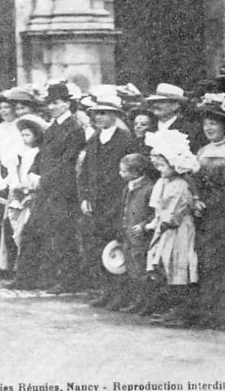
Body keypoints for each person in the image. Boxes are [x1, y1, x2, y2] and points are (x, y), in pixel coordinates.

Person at [15, 82, 86, 292]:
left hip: (63, 191)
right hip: (46, 189)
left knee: (62, 235)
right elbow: (42, 154)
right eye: (50, 103)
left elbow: (67, 161)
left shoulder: (74, 129)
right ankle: (26, 278)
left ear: (66, 104)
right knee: (32, 231)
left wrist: (43, 178)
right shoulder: (53, 127)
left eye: (56, 103)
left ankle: (67, 281)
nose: (52, 107)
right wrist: (34, 172)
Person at [79, 91, 136, 306]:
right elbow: (84, 171)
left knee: (116, 245)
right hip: (96, 202)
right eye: (96, 114)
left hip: (117, 199)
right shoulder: (94, 139)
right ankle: (106, 290)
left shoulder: (124, 139)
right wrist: (84, 197)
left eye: (104, 113)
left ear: (114, 115)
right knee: (98, 245)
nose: (99, 118)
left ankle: (120, 294)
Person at [140, 129, 200, 327]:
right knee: (166, 267)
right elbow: (158, 208)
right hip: (165, 229)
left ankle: (181, 312)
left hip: (177, 230)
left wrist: (157, 225)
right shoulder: (163, 182)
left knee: (177, 266)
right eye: (157, 165)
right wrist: (154, 223)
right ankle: (170, 308)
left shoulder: (180, 185)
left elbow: (173, 213)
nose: (160, 169)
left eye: (163, 165)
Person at [191, 94, 225, 328]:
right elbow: (194, 180)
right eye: (205, 125)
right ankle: (210, 311)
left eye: (213, 124)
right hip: (207, 211)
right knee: (209, 259)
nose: (208, 128)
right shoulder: (202, 151)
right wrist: (195, 198)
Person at [0, 115, 45, 277]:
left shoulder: (38, 151)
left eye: (28, 135)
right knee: (11, 224)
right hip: (18, 190)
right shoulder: (18, 151)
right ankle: (13, 266)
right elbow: (12, 168)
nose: (25, 139)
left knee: (25, 227)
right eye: (23, 135)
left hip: (31, 190)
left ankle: (26, 268)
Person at [113, 153, 155, 314]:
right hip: (128, 235)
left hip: (140, 237)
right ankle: (137, 301)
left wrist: (143, 226)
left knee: (142, 270)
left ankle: (146, 303)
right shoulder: (128, 187)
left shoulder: (148, 189)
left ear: (136, 172)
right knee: (132, 269)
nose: (120, 174)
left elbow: (154, 213)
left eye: (124, 171)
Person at [146, 83, 205, 153]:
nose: (155, 105)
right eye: (154, 102)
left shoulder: (190, 130)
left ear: (175, 106)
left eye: (161, 102)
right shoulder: (149, 129)